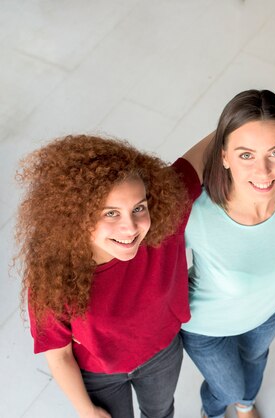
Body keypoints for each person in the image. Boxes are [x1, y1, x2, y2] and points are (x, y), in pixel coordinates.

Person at [16, 134, 207, 418]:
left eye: (138, 208)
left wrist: (273, 104)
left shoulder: (164, 218)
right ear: (77, 216)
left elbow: (213, 145)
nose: (130, 228)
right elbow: (59, 355)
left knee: (161, 413)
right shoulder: (53, 277)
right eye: (111, 213)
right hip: (99, 375)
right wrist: (87, 411)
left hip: (162, 355)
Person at [179, 90, 275, 418]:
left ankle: (245, 406)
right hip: (207, 327)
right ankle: (213, 412)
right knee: (227, 388)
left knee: (255, 362)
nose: (263, 171)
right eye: (246, 155)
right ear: (223, 155)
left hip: (267, 313)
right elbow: (143, 265)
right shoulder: (196, 214)